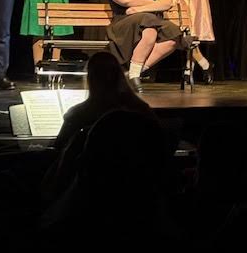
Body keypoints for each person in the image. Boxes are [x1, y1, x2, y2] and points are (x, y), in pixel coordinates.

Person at [41, 51, 160, 203]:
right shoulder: (141, 110)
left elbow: (60, 151)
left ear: (90, 78)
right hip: (140, 193)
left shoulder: (79, 115)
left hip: (86, 193)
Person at [106, 0, 187, 92]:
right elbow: (125, 0)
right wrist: (156, 4)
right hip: (124, 24)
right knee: (150, 28)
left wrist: (140, 8)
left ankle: (133, 73)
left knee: (174, 34)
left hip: (150, 22)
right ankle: (134, 76)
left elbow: (167, 1)